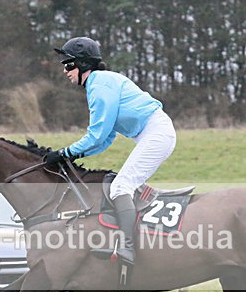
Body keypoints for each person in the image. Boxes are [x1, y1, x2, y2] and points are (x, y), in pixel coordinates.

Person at [46, 36, 177, 266]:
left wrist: (65, 153)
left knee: (120, 187)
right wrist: (73, 155)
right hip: (153, 133)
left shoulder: (99, 84)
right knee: (118, 185)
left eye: (68, 65)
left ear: (83, 64)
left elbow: (96, 135)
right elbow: (105, 139)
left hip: (156, 134)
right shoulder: (99, 83)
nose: (65, 71)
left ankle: (127, 247)